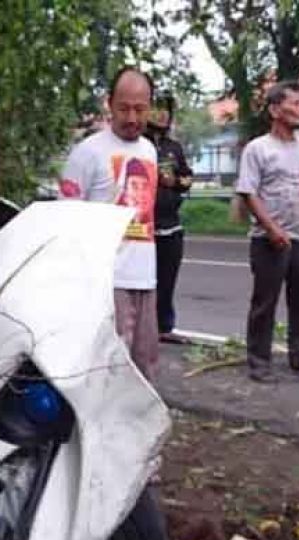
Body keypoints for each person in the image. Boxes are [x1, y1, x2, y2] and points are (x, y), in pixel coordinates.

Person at [59, 67, 160, 381]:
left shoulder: (149, 150)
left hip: (145, 276)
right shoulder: (87, 152)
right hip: (105, 281)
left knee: (145, 366)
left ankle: (139, 428)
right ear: (109, 104)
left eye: (140, 109)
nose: (132, 118)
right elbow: (67, 218)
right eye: (124, 108)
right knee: (107, 370)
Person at [235, 81, 299, 383]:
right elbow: (249, 193)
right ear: (275, 109)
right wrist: (272, 228)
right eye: (295, 103)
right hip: (269, 240)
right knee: (265, 301)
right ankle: (259, 359)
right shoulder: (258, 149)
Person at [145, 92, 194, 343]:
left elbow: (187, 178)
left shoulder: (173, 148)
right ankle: (141, 329)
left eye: (166, 109)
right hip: (141, 228)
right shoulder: (137, 145)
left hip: (171, 226)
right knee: (142, 281)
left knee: (167, 280)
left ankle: (165, 327)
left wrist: (174, 181)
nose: (162, 114)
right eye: (156, 108)